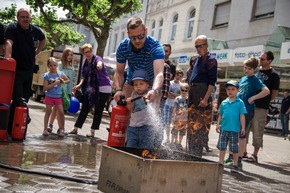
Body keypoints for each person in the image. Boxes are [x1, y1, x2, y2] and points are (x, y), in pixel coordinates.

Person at [5, 8, 46, 134]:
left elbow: (43, 40)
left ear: (30, 18)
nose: (25, 19)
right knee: (17, 99)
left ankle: (16, 124)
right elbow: (8, 43)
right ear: (18, 18)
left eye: (27, 16)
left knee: (25, 98)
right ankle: (11, 127)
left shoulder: (35, 30)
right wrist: (8, 59)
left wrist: (37, 51)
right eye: (22, 17)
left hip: (28, 70)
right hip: (16, 69)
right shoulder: (12, 28)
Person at [225, 57, 270, 169]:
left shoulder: (255, 80)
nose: (246, 70)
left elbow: (267, 91)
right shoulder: (243, 79)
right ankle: (231, 157)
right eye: (245, 68)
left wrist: (253, 97)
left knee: (241, 135)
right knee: (233, 134)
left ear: (254, 69)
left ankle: (239, 159)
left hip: (247, 111)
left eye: (249, 68)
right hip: (237, 110)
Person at [113, 16, 164, 105]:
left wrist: (154, 90)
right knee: (124, 112)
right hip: (131, 83)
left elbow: (159, 73)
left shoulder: (155, 46)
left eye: (141, 36)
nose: (137, 41)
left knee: (148, 117)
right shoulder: (123, 46)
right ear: (128, 34)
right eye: (133, 38)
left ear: (146, 31)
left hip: (151, 85)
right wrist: (118, 90)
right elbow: (119, 72)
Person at [68, 43, 111, 137]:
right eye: (86, 52)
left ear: (92, 51)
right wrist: (79, 85)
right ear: (83, 53)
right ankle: (75, 128)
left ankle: (92, 132)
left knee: (98, 110)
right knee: (85, 108)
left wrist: (99, 66)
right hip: (91, 89)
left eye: (89, 51)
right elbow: (84, 77)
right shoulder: (86, 63)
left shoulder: (97, 59)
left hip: (104, 88)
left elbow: (100, 63)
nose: (88, 54)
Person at [187, 35, 218, 157]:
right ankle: (191, 152)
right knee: (191, 123)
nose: (198, 48)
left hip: (202, 92)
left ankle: (197, 154)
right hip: (193, 92)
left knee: (199, 125)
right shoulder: (197, 60)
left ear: (206, 45)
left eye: (200, 46)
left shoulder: (211, 60)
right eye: (196, 46)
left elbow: (212, 82)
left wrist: (205, 99)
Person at [247, 51, 280, 162]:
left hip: (261, 107)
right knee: (245, 128)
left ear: (269, 60)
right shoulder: (255, 71)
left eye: (263, 59)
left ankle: (254, 154)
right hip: (248, 105)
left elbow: (274, 92)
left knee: (258, 129)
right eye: (260, 58)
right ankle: (243, 152)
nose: (260, 61)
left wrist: (265, 100)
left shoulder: (274, 74)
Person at [216, 80, 247, 173]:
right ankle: (220, 163)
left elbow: (242, 116)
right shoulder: (224, 102)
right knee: (222, 147)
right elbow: (220, 114)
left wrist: (243, 127)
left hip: (234, 130)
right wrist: (218, 124)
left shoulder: (240, 102)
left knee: (234, 149)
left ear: (238, 90)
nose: (230, 91)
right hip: (224, 129)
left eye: (233, 89)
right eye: (228, 89)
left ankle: (235, 164)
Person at [125, 69, 154, 149]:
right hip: (133, 126)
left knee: (145, 149)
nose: (138, 86)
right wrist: (129, 102)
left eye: (141, 84)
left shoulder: (149, 93)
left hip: (146, 127)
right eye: (135, 84)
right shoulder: (134, 94)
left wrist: (146, 100)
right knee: (130, 148)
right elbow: (130, 108)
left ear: (147, 85)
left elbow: (150, 104)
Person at [48, 48, 74, 132]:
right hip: (59, 90)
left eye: (71, 55)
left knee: (57, 109)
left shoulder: (71, 68)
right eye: (68, 54)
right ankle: (60, 128)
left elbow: (70, 81)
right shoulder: (59, 65)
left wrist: (71, 92)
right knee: (59, 109)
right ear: (65, 55)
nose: (70, 56)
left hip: (66, 91)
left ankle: (51, 125)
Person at [42, 57, 70, 137]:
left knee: (61, 113)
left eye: (54, 65)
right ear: (48, 66)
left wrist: (62, 81)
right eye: (51, 65)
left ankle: (62, 129)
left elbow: (68, 80)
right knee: (48, 112)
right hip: (49, 96)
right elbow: (45, 88)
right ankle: (45, 129)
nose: (53, 67)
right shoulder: (47, 75)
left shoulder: (60, 73)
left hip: (58, 96)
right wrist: (54, 84)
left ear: (57, 65)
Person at [163, 68, 183, 145]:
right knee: (167, 123)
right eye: (177, 75)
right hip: (168, 105)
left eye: (180, 76)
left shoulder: (181, 85)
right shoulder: (170, 83)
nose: (178, 77)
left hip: (177, 107)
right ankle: (167, 138)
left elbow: (181, 95)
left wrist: (173, 94)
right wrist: (176, 96)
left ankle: (174, 140)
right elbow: (167, 94)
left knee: (176, 124)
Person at [171, 83, 189, 150]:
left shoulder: (188, 99)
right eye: (182, 90)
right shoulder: (177, 98)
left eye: (185, 90)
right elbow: (175, 108)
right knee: (175, 131)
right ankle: (174, 142)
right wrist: (173, 116)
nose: (184, 92)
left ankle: (179, 143)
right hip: (178, 118)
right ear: (180, 90)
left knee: (182, 132)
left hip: (184, 120)